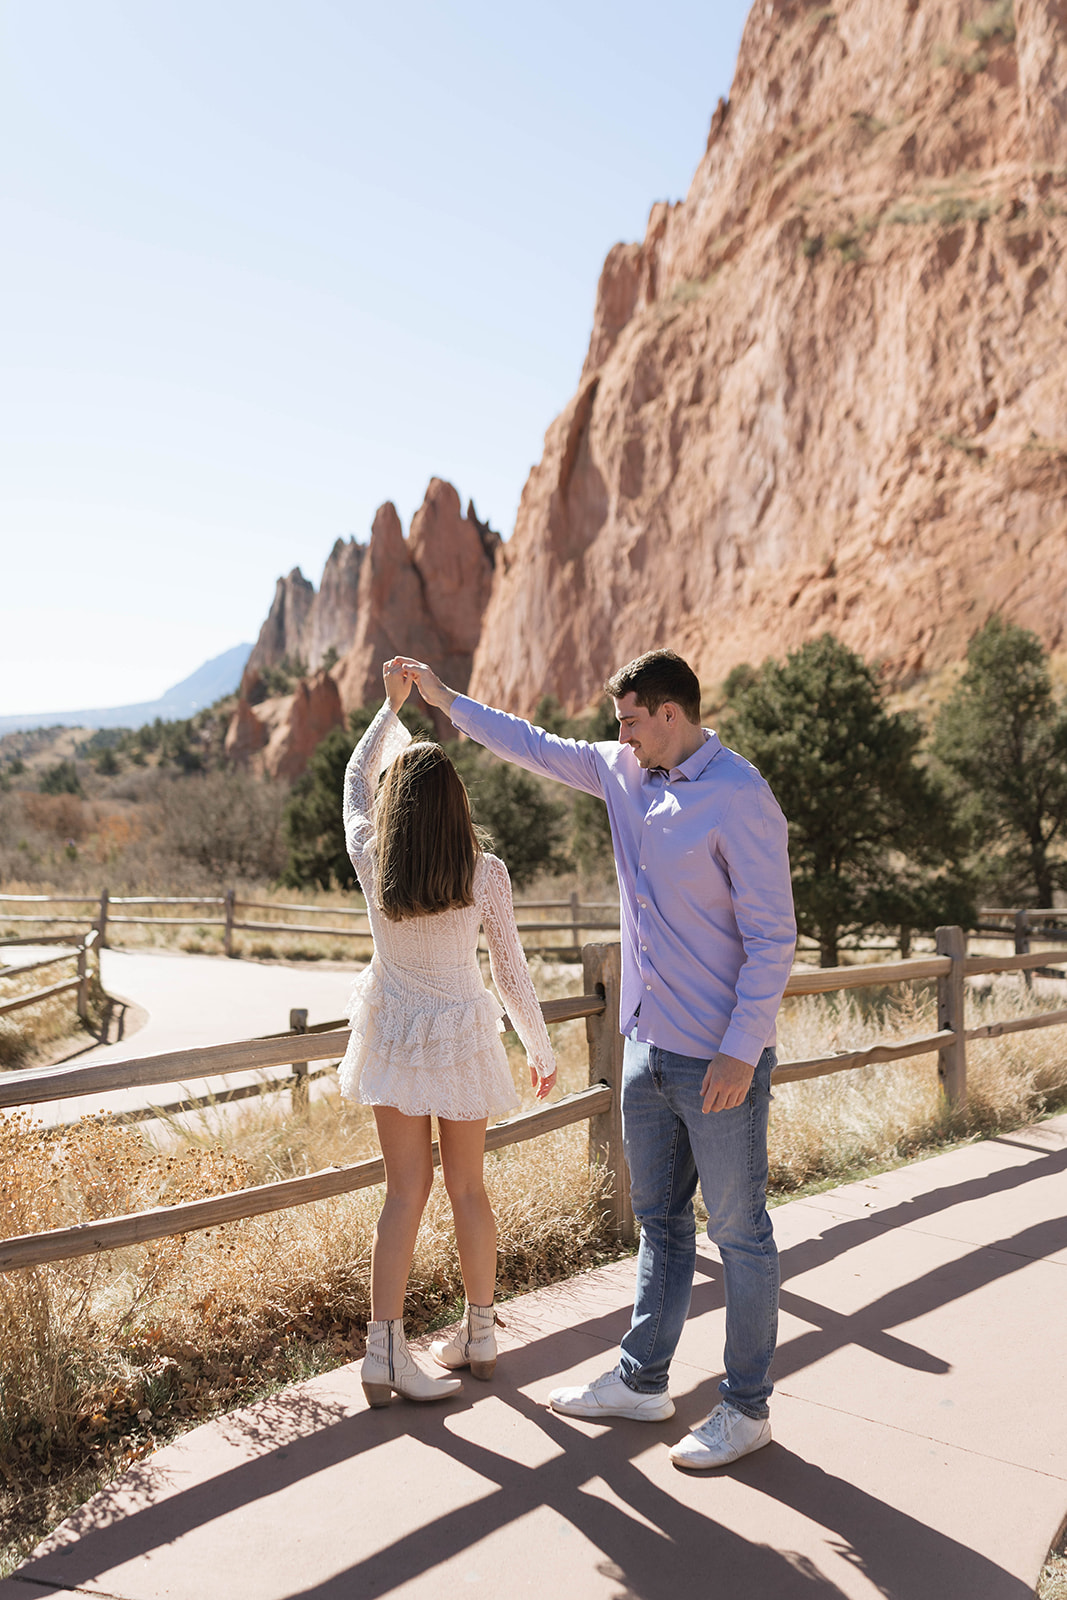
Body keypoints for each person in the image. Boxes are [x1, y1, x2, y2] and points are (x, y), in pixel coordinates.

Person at [393, 648, 795, 1469]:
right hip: (645, 1054)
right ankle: (642, 1380)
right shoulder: (622, 772)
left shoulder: (740, 798)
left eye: (631, 721)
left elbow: (772, 940)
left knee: (741, 1235)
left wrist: (739, 1052)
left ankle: (745, 1409)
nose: (621, 736)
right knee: (658, 1224)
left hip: (718, 1061)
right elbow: (531, 745)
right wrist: (445, 701)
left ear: (669, 716)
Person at [340, 661, 557, 1408]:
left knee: (405, 1192)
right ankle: (481, 1334)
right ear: (458, 804)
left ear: (396, 806)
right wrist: (540, 1047)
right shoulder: (484, 871)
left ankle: (383, 1353)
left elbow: (352, 779)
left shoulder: (374, 861)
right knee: (468, 1189)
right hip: (463, 1035)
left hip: (396, 1032)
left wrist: (388, 709)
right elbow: (511, 973)